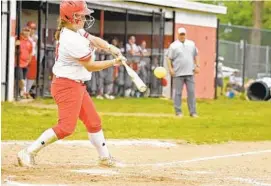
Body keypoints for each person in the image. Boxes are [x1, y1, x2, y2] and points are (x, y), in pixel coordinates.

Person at [17, 0, 124, 168]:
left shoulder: (76, 31)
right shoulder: (71, 39)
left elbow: (94, 39)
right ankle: (28, 152)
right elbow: (90, 66)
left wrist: (111, 47)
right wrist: (113, 62)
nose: (85, 17)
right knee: (66, 127)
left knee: (93, 122)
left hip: (76, 85)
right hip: (66, 86)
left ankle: (104, 158)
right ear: (71, 17)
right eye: (81, 15)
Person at [166, 27, 200, 118]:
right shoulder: (173, 46)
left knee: (191, 92)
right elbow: (169, 58)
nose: (182, 36)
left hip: (190, 72)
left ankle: (193, 112)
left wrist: (197, 66)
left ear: (185, 34)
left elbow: (196, 55)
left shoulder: (191, 44)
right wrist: (171, 69)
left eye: (183, 34)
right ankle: (178, 112)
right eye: (181, 34)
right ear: (178, 35)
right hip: (178, 73)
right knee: (178, 93)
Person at [15, 26, 33, 98]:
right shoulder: (18, 39)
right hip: (18, 63)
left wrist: (29, 61)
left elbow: (30, 53)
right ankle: (24, 92)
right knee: (20, 79)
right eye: (25, 30)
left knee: (23, 79)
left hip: (25, 64)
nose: (27, 32)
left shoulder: (29, 42)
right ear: (22, 31)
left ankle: (21, 93)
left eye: (28, 31)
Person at [25, 21, 38, 99]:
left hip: (32, 56)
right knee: (24, 75)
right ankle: (23, 92)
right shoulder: (24, 36)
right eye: (30, 28)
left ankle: (27, 91)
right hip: (25, 57)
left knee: (32, 75)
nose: (32, 30)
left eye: (34, 28)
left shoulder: (35, 37)